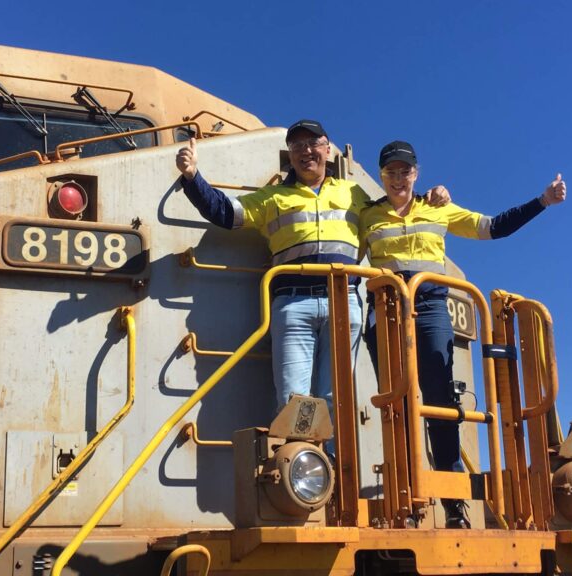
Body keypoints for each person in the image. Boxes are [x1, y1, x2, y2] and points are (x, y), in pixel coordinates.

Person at [175, 121, 450, 446]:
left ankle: (331, 478)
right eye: (297, 146)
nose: (306, 151)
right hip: (293, 304)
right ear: (290, 155)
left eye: (313, 143)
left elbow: (395, 208)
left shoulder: (354, 195)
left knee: (335, 399)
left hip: (344, 303)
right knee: (295, 399)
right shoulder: (273, 198)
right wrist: (193, 177)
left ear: (326, 148)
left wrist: (433, 196)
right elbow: (226, 213)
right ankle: (304, 484)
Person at [360, 140, 567, 528]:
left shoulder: (437, 208)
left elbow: (492, 227)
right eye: (391, 172)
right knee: (394, 404)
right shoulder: (366, 215)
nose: (398, 178)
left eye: (405, 171)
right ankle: (403, 499)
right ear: (382, 176)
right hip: (386, 313)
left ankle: (454, 500)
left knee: (440, 398)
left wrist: (542, 201)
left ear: (416, 174)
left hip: (430, 310)